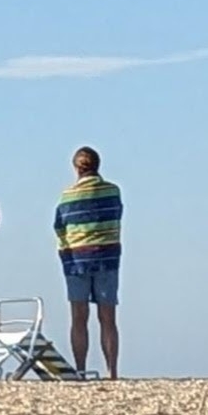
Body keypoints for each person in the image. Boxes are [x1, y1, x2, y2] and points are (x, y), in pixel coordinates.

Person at [54, 147, 122, 379]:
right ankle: (112, 371)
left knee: (78, 317)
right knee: (108, 318)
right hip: (107, 258)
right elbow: (116, 215)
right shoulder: (112, 191)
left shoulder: (68, 195)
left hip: (76, 260)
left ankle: (81, 369)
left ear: (76, 168)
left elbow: (59, 227)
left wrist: (65, 254)